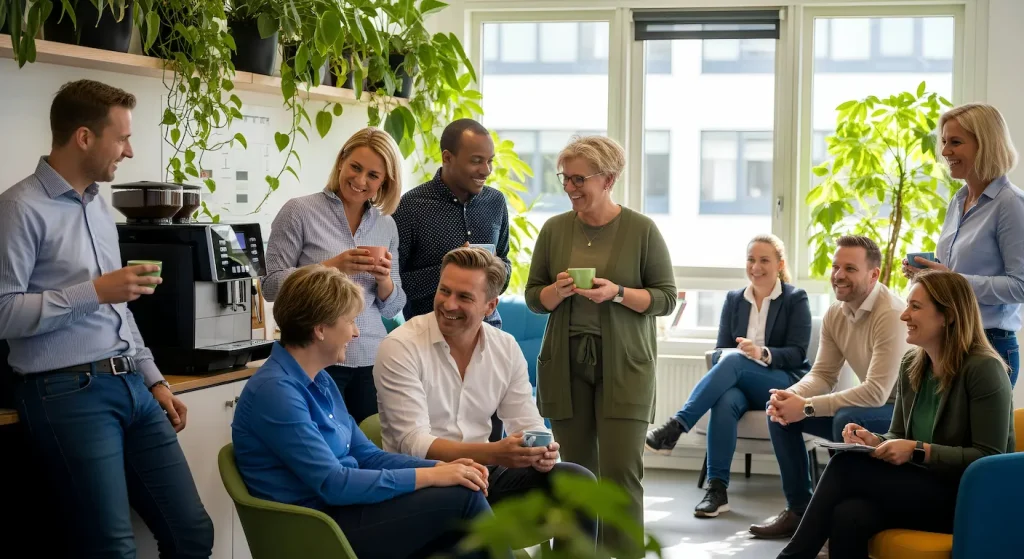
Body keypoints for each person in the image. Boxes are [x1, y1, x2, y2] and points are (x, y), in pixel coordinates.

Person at [0, 80, 213, 558]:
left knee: (193, 533)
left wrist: (155, 380)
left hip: (131, 386)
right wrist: (93, 291)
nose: (130, 150)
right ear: (84, 137)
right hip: (64, 392)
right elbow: (3, 310)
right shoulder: (18, 208)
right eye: (121, 138)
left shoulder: (99, 204)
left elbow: (120, 308)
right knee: (113, 550)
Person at [232, 265, 504, 559]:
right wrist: (434, 477)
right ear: (320, 329)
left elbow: (367, 456)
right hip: (316, 528)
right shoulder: (276, 392)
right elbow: (334, 483)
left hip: (342, 512)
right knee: (461, 501)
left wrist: (438, 468)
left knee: (457, 513)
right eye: (350, 321)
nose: (356, 332)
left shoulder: (318, 379)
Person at [778, 270, 1015, 559]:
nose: (904, 315)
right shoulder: (913, 364)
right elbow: (899, 435)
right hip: (923, 487)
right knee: (848, 515)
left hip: (967, 497)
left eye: (916, 307)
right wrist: (875, 440)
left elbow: (988, 458)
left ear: (948, 316)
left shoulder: (984, 370)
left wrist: (918, 450)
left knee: (845, 466)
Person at [373, 247, 598, 548]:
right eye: (444, 291)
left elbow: (528, 423)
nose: (448, 304)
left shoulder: (504, 347)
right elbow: (413, 443)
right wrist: (495, 453)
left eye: (464, 297)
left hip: (484, 477)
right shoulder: (401, 346)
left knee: (579, 482)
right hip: (423, 482)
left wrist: (542, 450)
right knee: (467, 495)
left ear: (490, 306)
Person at [524, 135, 677, 556]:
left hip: (624, 365)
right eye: (565, 178)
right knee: (574, 472)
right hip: (565, 362)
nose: (570, 188)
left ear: (608, 179)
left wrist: (618, 293)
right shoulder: (555, 229)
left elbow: (664, 298)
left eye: (579, 179)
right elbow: (535, 297)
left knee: (620, 472)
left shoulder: (641, 230)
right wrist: (557, 291)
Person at [750, 235, 910, 540]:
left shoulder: (890, 314)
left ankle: (833, 523)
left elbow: (876, 392)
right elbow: (823, 374)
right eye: (836, 266)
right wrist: (792, 396)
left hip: (901, 413)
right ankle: (799, 512)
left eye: (850, 268)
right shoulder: (836, 313)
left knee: (846, 420)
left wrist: (808, 407)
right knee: (782, 416)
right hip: (874, 406)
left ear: (873, 275)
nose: (838, 275)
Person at [646, 234, 811, 518]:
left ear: (780, 264)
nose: (755, 267)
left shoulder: (795, 298)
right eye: (751, 259)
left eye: (764, 260)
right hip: (741, 383)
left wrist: (761, 353)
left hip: (782, 382)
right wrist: (736, 357)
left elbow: (797, 353)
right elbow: (720, 349)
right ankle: (717, 490)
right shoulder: (735, 299)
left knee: (734, 359)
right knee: (725, 398)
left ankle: (676, 426)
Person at [263, 127, 406, 424]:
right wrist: (331, 267)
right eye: (355, 167)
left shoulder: (386, 226)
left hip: (372, 359)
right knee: (326, 451)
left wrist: (384, 280)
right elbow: (270, 285)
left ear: (385, 182)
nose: (360, 180)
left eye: (373, 175)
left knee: (370, 450)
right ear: (341, 161)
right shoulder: (299, 212)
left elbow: (393, 307)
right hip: (316, 357)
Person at [903, 103, 1023, 387]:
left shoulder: (1011, 204)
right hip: (947, 342)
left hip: (988, 345)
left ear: (986, 145)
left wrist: (953, 281)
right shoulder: (959, 199)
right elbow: (954, 271)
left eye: (955, 142)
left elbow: (1020, 286)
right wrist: (929, 277)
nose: (944, 152)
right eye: (944, 142)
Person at [393, 118, 511, 329]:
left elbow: (505, 265)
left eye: (490, 160)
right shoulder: (410, 207)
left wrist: (493, 269)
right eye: (476, 161)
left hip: (487, 331)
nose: (486, 170)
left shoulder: (496, 202)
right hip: (426, 336)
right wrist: (452, 268)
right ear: (447, 157)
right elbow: (395, 287)